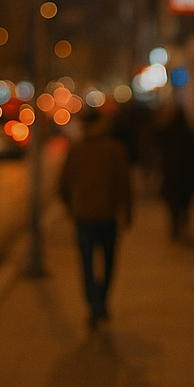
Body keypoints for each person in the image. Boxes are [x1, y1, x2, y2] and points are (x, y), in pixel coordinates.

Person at [58, 107, 133, 328]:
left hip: (84, 217)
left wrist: (71, 205)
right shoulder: (115, 149)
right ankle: (101, 302)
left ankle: (95, 305)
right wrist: (126, 212)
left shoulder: (77, 149)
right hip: (107, 216)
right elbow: (124, 185)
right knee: (108, 261)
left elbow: (63, 184)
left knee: (87, 264)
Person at [157, 105, 194, 240]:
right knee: (184, 204)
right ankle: (181, 223)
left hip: (172, 175)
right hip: (185, 177)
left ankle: (175, 227)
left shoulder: (168, 132)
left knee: (173, 205)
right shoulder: (189, 133)